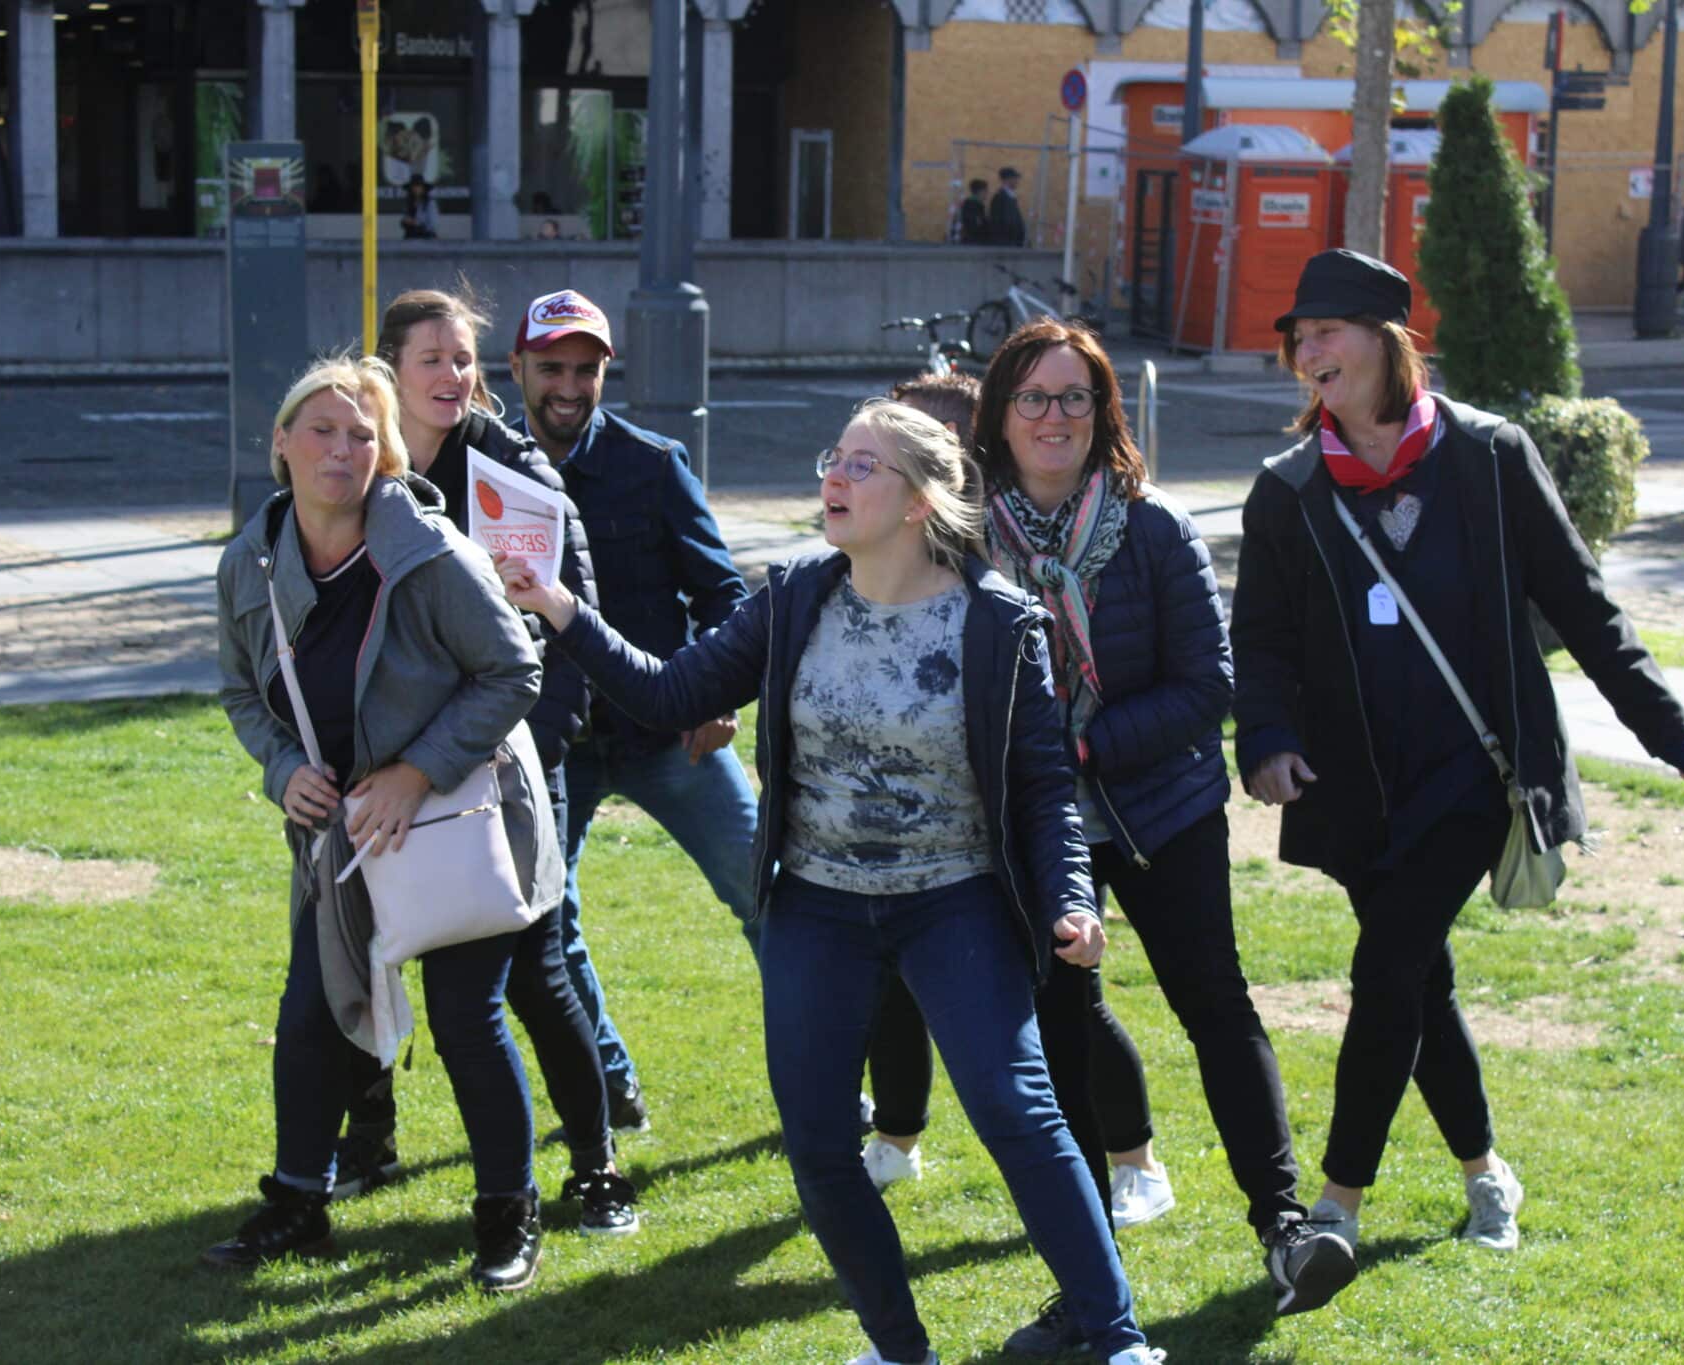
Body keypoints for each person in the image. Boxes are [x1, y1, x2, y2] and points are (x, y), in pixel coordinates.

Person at [498, 400, 1164, 1365]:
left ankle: (1119, 1342)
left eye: (862, 465)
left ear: (919, 501)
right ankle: (898, 1349)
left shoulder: (997, 621)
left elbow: (1042, 788)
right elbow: (671, 691)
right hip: (816, 906)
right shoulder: (794, 598)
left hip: (954, 901)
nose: (834, 479)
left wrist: (1070, 898)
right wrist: (560, 606)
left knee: (1019, 1112)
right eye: (834, 459)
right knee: (816, 1141)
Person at [1231, 250, 1684, 1297]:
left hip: (1475, 771)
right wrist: (1264, 741)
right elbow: (1259, 638)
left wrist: (1668, 730)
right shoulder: (1288, 490)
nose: (1307, 352)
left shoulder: (1490, 457)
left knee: (1386, 966)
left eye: (1326, 332)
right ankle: (1485, 1171)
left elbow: (1580, 601)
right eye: (1297, 339)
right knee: (1418, 976)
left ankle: (1336, 1204)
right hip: (1355, 782)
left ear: (1385, 341)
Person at [971, 320, 1356, 1346]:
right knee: (1057, 1031)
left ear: (1103, 413)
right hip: (1031, 821)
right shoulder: (962, 538)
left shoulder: (1152, 528)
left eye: (1075, 397)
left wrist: (1082, 746)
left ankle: (1285, 1228)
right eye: (1033, 397)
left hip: (1161, 807)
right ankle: (1086, 1284)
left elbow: (1206, 684)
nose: (1054, 416)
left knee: (1213, 1004)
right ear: (999, 416)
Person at [207, 355, 565, 1292]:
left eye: (362, 435)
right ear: (281, 444)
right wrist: (283, 770)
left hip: (457, 815)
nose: (341, 449)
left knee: (465, 1017)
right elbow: (241, 691)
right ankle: (298, 1202)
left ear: (388, 455)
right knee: (311, 1013)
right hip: (341, 833)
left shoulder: (433, 553)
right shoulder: (249, 559)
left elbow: (515, 670)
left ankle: (509, 1215)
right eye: (322, 431)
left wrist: (414, 773)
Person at [311, 288, 638, 1234]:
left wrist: (535, 753)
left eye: (465, 359)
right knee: (364, 952)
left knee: (535, 969)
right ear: (389, 372)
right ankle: (367, 1141)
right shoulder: (357, 468)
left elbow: (563, 630)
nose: (455, 376)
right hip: (379, 777)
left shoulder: (511, 471)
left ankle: (594, 1165)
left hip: (507, 769)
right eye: (434, 359)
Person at [861, 370, 1180, 1248]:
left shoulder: (1001, 548)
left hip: (1025, 799)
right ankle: (896, 1137)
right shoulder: (897, 546)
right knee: (894, 976)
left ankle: (1134, 1159)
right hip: (928, 801)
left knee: (1062, 982)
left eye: (921, 442)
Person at [505, 288, 759, 1133]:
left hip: (668, 734)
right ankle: (610, 1085)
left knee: (769, 892)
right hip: (553, 745)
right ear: (516, 367)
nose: (569, 386)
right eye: (552, 367)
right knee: (545, 922)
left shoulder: (654, 463)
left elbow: (723, 594)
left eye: (587, 369)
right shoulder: (487, 472)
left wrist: (715, 690)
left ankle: (832, 1082)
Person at [990, 167, 1028, 248]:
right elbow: (999, 222)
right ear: (1007, 180)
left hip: (1013, 242)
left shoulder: (1010, 196)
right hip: (1005, 243)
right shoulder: (999, 197)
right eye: (1014, 178)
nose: (1017, 181)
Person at [952, 178, 991, 245]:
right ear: (981, 191)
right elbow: (976, 225)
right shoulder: (973, 206)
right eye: (986, 191)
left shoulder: (969, 204)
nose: (987, 194)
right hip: (973, 243)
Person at [400, 174, 438, 240]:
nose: (416, 189)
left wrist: (415, 223)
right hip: (410, 237)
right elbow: (405, 219)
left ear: (423, 188)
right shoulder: (409, 203)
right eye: (413, 186)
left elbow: (433, 225)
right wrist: (405, 222)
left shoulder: (430, 203)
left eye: (418, 186)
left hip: (426, 238)